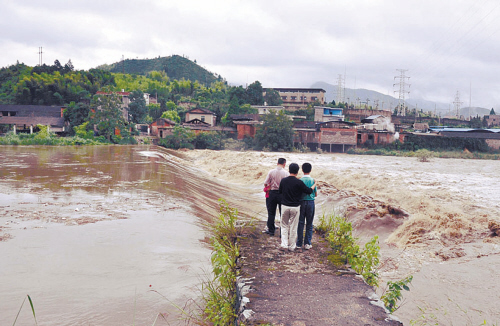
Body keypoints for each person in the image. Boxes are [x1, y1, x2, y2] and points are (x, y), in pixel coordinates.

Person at [278, 163, 315, 251]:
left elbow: (280, 192)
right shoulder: (299, 182)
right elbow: (309, 191)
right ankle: (292, 247)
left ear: (289, 170)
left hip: (285, 206)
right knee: (293, 227)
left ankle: (284, 244)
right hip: (295, 207)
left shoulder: (283, 181)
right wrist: (315, 184)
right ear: (297, 172)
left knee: (284, 226)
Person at [263, 158, 289, 236]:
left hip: (272, 193)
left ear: (277, 163)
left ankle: (271, 231)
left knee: (271, 212)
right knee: (282, 213)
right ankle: (282, 232)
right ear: (284, 164)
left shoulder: (271, 172)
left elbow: (265, 183)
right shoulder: (286, 173)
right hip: (282, 194)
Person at [296, 162, 318, 251]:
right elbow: (315, 194)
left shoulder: (300, 180)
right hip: (310, 203)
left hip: (301, 202)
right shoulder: (313, 181)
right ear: (310, 170)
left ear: (302, 170)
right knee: (309, 223)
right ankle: (307, 243)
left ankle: (299, 243)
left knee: (300, 222)